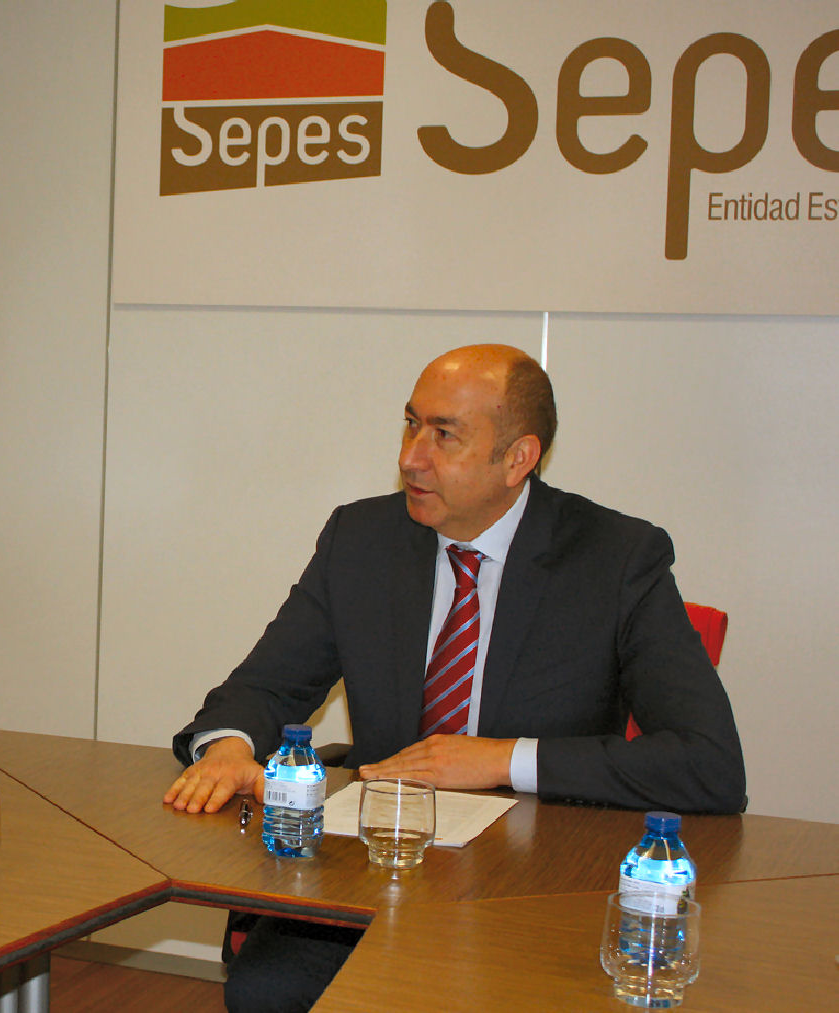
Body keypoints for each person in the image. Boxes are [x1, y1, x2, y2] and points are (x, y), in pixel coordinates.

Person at [162, 344, 745, 1012]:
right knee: (265, 992)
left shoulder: (615, 559)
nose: (412, 456)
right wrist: (229, 747)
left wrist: (498, 759)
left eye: (444, 435)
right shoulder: (362, 538)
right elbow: (266, 685)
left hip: (538, 889)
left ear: (518, 458)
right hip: (374, 873)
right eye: (412, 424)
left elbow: (709, 763)